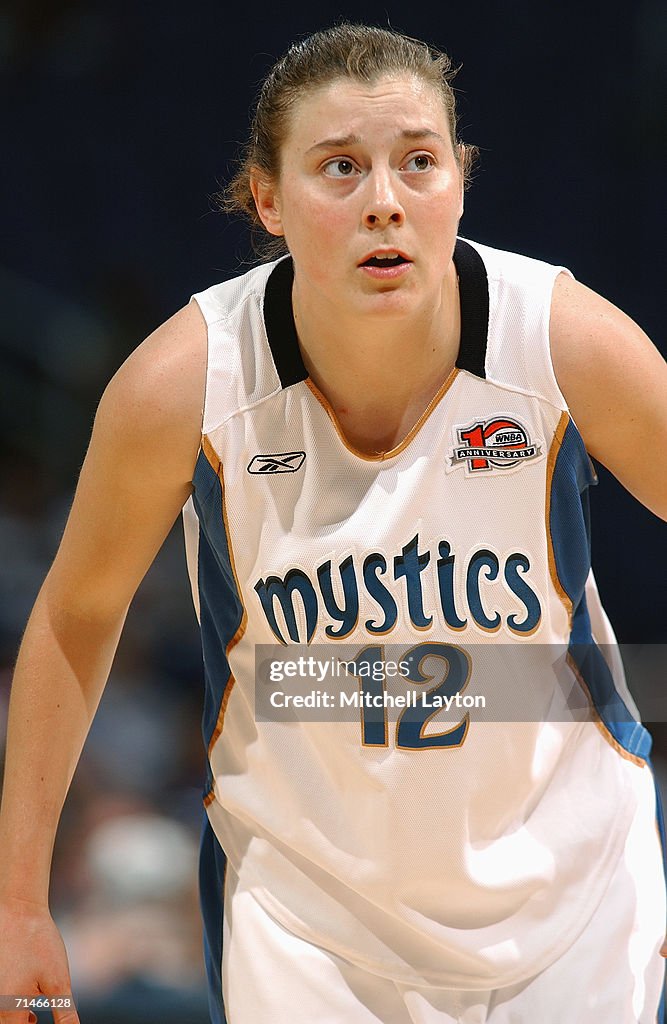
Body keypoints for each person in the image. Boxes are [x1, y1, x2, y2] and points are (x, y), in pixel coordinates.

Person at [1, 20, 666, 1024]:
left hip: (573, 898)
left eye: (418, 162)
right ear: (266, 199)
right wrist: (17, 903)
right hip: (307, 917)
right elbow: (73, 616)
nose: (384, 202)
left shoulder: (560, 341)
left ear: (459, 182)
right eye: (339, 168)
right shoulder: (185, 382)